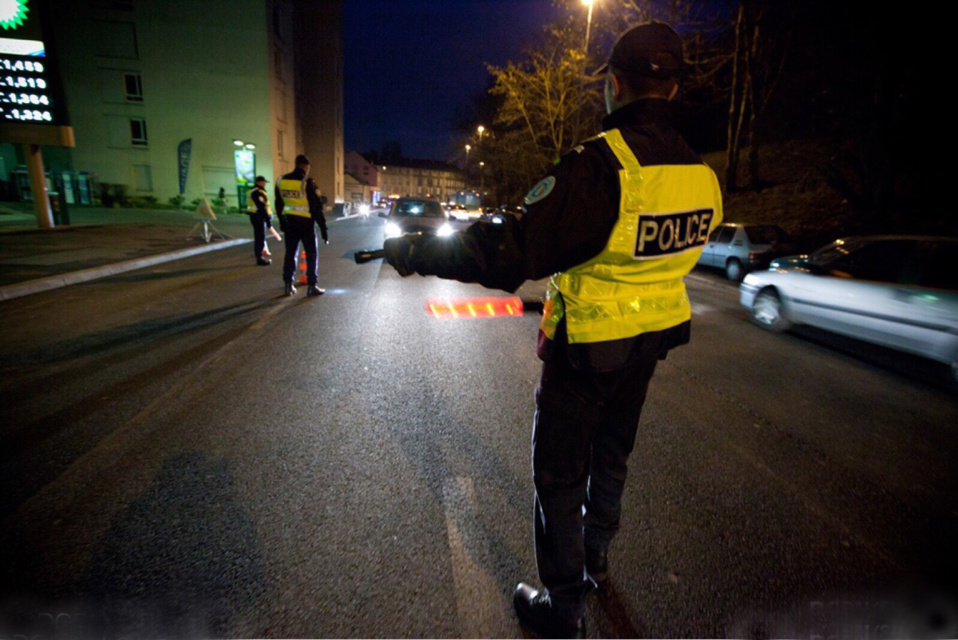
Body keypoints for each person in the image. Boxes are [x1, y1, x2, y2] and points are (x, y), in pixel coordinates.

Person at [382, 22, 722, 638]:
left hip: (588, 351)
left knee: (560, 478)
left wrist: (415, 252)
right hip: (651, 346)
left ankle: (563, 609)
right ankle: (594, 562)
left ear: (615, 85)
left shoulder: (603, 169)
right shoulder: (699, 174)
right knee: (613, 458)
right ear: (671, 89)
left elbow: (511, 250)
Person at [275, 154, 329, 296]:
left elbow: (278, 204)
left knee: (290, 254)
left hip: (290, 223)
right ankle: (312, 286)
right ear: (305, 167)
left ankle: (288, 285)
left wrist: (282, 222)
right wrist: (323, 229)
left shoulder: (281, 181)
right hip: (306, 224)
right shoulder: (306, 183)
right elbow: (316, 209)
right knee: (311, 255)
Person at [246, 176, 272, 266]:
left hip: (255, 216)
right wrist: (268, 218)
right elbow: (262, 206)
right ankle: (259, 258)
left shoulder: (252, 191)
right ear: (259, 182)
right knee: (260, 238)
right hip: (259, 216)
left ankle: (259, 256)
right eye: (263, 182)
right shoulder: (257, 192)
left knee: (259, 237)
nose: (265, 184)